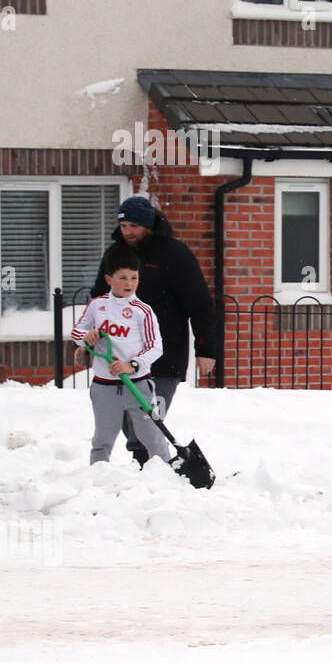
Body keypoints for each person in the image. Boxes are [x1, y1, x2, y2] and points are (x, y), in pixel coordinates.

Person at [81, 195, 221, 465]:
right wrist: (90, 342)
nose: (128, 232)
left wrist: (206, 349)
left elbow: (201, 304)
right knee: (125, 420)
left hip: (163, 355)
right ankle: (146, 467)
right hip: (120, 356)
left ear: (148, 225)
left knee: (148, 419)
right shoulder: (116, 255)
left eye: (134, 226)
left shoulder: (175, 255)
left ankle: (151, 468)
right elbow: (99, 300)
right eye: (124, 227)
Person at [72, 244, 168, 465]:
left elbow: (155, 347)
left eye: (134, 278)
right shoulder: (98, 305)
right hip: (104, 386)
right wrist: (87, 337)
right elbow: (77, 331)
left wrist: (131, 365)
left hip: (137, 384)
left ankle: (168, 473)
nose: (129, 283)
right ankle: (97, 477)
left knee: (151, 436)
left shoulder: (142, 311)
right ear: (109, 279)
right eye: (123, 278)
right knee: (102, 439)